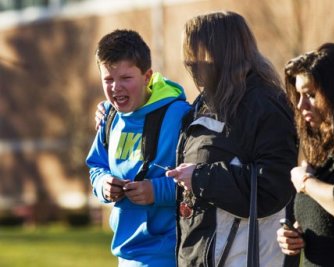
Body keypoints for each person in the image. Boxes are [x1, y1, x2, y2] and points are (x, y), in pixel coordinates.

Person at [165, 11, 298, 267]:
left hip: (250, 256)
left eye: (196, 54)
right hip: (200, 256)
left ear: (221, 53)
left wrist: (200, 178)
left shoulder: (265, 105)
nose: (190, 63)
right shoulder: (205, 103)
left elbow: (273, 187)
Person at [86, 29, 190, 267]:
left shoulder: (178, 115)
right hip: (126, 255)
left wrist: (157, 191)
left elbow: (203, 178)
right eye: (108, 80)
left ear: (147, 76)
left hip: (170, 255)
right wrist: (104, 185)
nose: (115, 88)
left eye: (126, 78)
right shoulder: (109, 116)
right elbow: (96, 166)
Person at [276, 43, 334, 267]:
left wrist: (305, 182)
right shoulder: (326, 150)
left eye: (311, 95)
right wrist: (295, 236)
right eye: (299, 95)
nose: (301, 104)